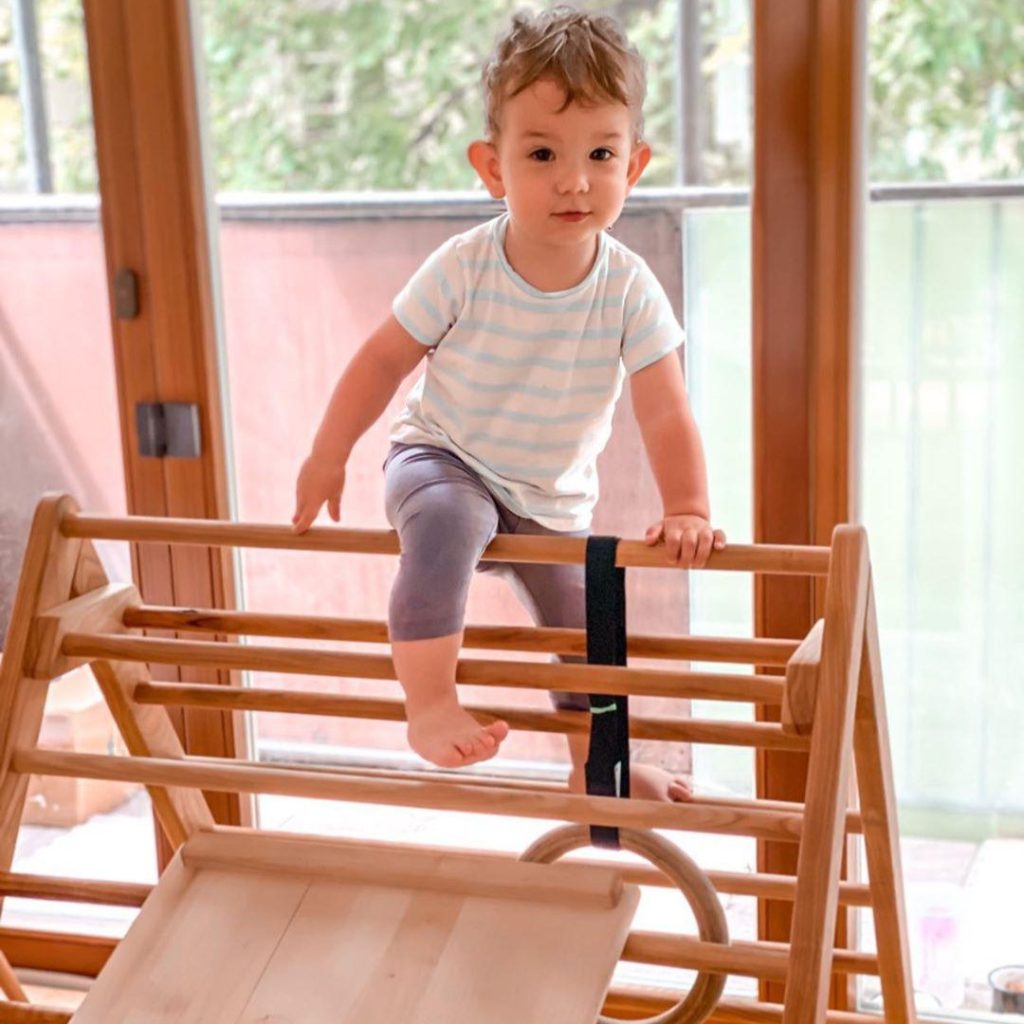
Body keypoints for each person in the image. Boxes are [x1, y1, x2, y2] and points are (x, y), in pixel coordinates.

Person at [292, 5, 725, 803]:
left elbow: (665, 409)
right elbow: (383, 359)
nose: (574, 179)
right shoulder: (465, 265)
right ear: (493, 169)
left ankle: (603, 770)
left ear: (633, 168)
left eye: (601, 153)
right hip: (443, 458)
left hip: (548, 500)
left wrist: (689, 505)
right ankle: (428, 705)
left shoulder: (629, 287)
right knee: (452, 523)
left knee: (589, 629)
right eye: (541, 153)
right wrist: (328, 454)